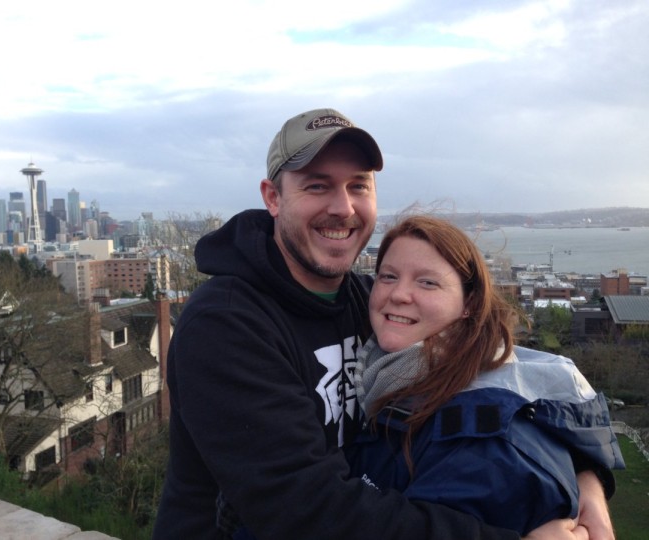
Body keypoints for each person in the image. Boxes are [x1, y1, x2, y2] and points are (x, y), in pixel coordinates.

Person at [152, 108, 615, 540]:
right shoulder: (227, 325)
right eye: (317, 186)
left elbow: (519, 382)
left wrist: (584, 481)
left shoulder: (373, 301)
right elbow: (305, 509)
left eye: (359, 186)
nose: (343, 207)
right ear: (273, 198)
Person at [344, 215, 624, 535]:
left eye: (427, 282)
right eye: (388, 276)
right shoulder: (395, 374)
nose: (398, 294)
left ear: (469, 303)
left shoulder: (476, 439)